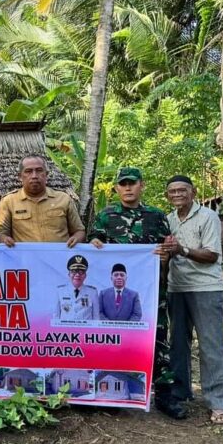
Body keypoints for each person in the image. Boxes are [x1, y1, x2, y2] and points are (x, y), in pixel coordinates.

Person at [88, 167, 180, 418]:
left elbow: (168, 249)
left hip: (151, 293)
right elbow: (94, 244)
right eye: (123, 184)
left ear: (142, 185)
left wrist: (166, 254)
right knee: (115, 341)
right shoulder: (106, 216)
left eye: (132, 183)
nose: (127, 188)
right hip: (117, 296)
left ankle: (164, 396)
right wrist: (95, 243)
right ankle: (114, 395)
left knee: (158, 341)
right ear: (116, 188)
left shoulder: (157, 216)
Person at [160, 175, 223, 423]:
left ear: (193, 192)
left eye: (182, 190)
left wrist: (183, 250)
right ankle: (180, 393)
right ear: (168, 196)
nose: (177, 194)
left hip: (205, 288)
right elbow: (167, 257)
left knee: (211, 345)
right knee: (178, 344)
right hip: (176, 288)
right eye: (172, 191)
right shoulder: (167, 220)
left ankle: (219, 403)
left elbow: (211, 255)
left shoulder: (208, 217)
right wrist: (164, 256)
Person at [0, 154, 85, 247]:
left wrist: (76, 239)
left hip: (59, 258)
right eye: (28, 171)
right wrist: (5, 240)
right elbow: (1, 233)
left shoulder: (64, 199)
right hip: (24, 259)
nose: (34, 176)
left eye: (39, 170)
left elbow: (79, 231)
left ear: (46, 174)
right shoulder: (8, 201)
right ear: (20, 176)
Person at [54, 255, 99, 320]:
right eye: (74, 271)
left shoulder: (92, 292)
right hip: (65, 329)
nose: (77, 275)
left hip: (86, 329)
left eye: (81, 272)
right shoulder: (60, 291)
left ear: (85, 275)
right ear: (69, 274)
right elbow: (56, 316)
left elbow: (96, 317)